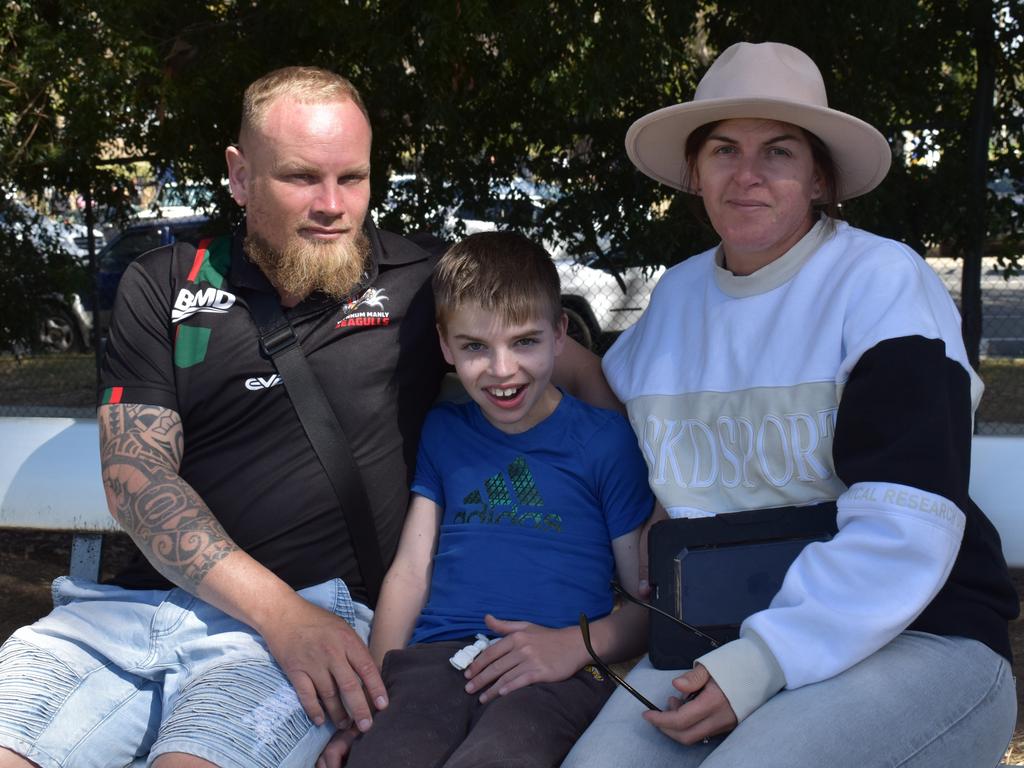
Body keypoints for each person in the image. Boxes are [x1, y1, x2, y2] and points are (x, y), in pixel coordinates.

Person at [0, 67, 613, 768]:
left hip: (315, 626)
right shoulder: (167, 281)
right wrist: (279, 615)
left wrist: (627, 509)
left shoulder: (424, 286)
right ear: (238, 175)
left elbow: (564, 364)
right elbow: (136, 476)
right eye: (301, 178)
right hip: (131, 617)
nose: (332, 205)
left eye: (352, 178)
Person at [562, 41, 1019, 768]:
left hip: (916, 631)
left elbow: (909, 519)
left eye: (778, 151)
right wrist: (535, 351)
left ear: (818, 178)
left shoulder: (879, 284)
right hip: (713, 633)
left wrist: (764, 661)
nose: (746, 175)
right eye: (722, 150)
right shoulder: (678, 297)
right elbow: (611, 419)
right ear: (694, 171)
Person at [330, 231, 654, 768]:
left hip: (559, 669)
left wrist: (576, 646)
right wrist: (367, 708)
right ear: (445, 347)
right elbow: (411, 571)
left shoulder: (603, 440)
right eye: (476, 347)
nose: (502, 371)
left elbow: (644, 601)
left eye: (524, 341)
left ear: (559, 336)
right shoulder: (444, 430)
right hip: (436, 661)